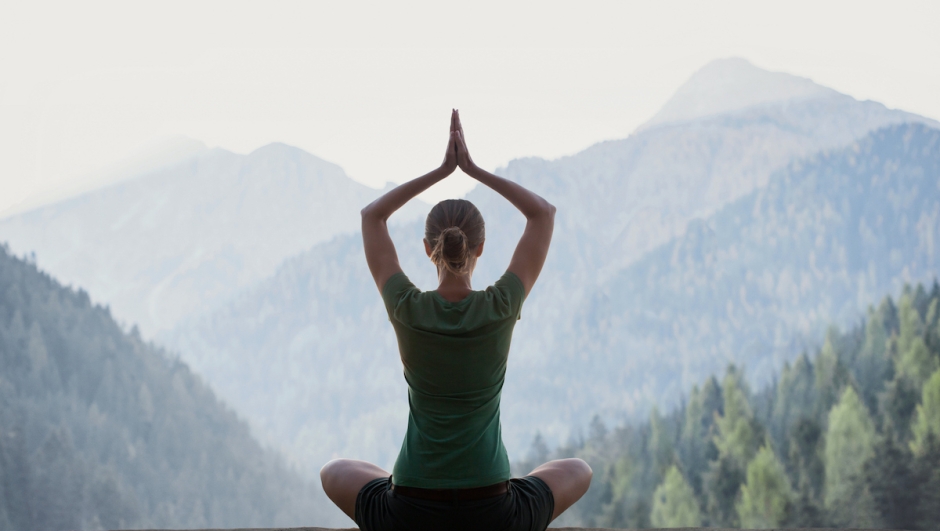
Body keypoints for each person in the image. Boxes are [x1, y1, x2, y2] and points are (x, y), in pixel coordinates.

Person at [320, 110, 592, 531]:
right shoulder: (499, 305)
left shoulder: (406, 307)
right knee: (578, 469)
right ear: (480, 249)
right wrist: (473, 169)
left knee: (335, 470)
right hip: (493, 510)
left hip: (409, 508)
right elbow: (543, 214)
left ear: (427, 247)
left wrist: (441, 171)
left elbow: (371, 217)